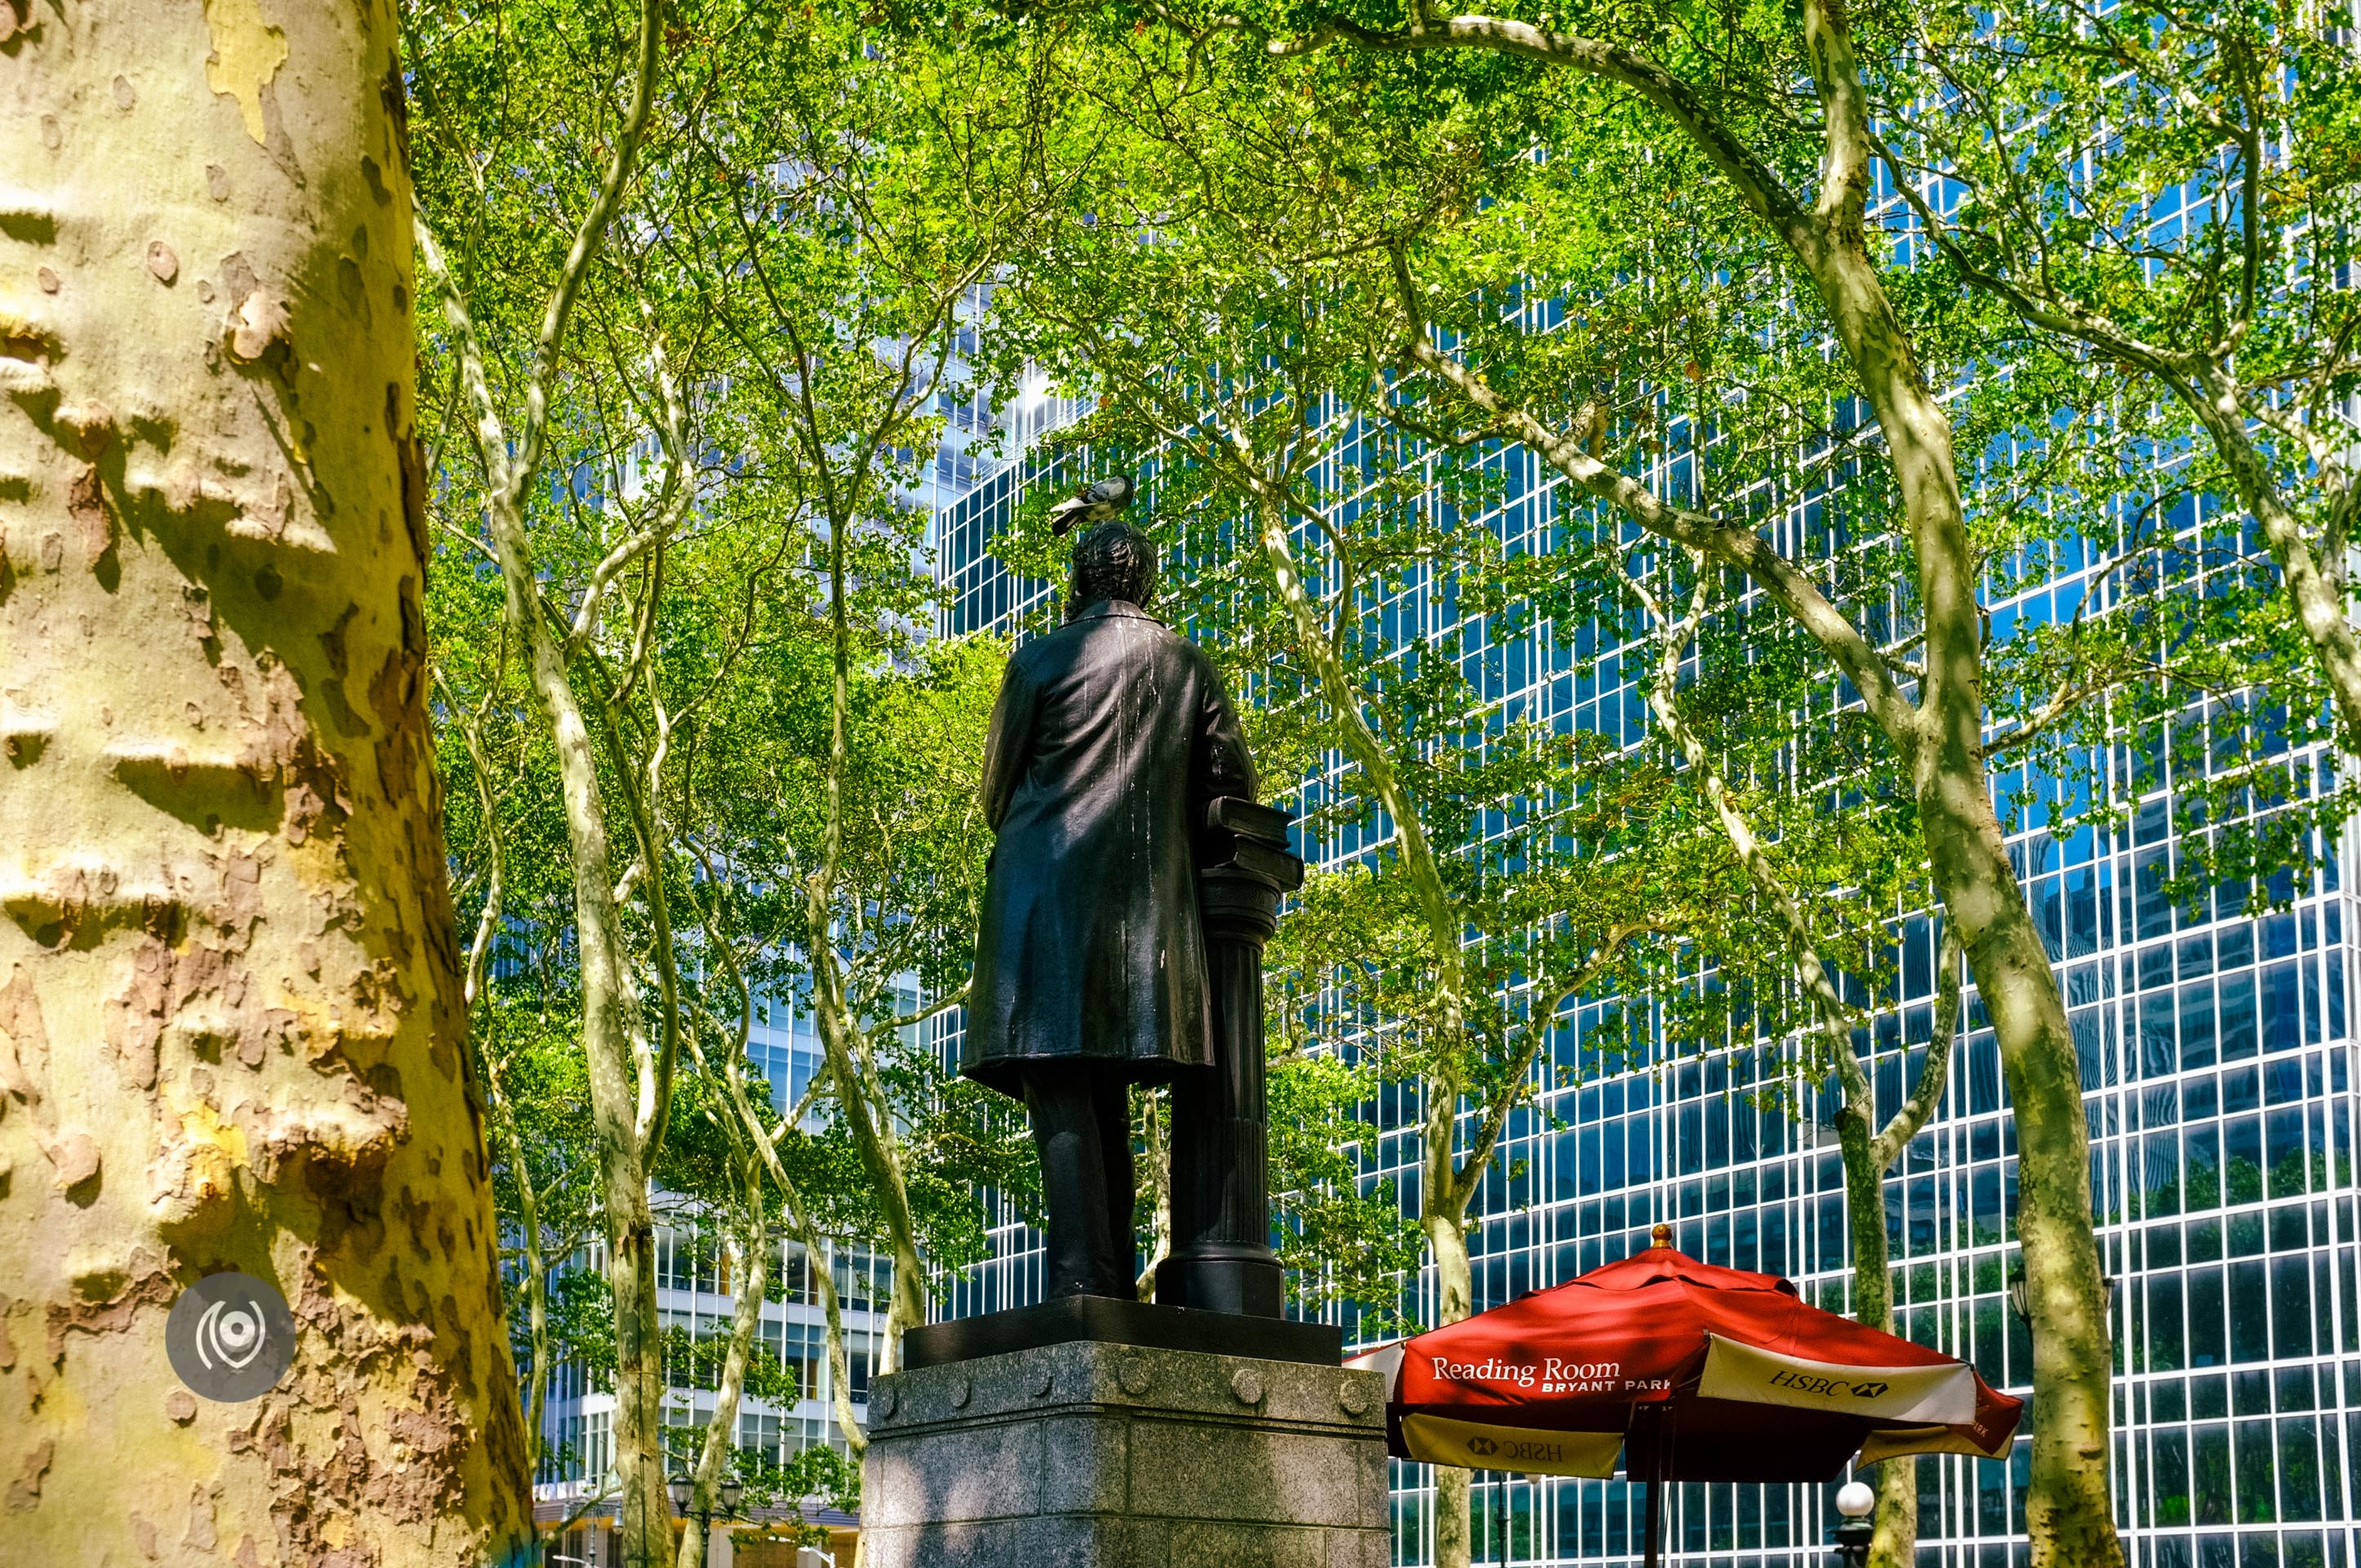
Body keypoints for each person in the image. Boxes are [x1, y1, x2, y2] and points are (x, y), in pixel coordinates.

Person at [962, 510, 1256, 1299]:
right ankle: (1102, 1279)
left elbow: (997, 793)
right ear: (1147, 581)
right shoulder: (1186, 663)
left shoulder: (1037, 659)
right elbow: (1230, 781)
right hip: (1142, 915)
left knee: (1062, 1080)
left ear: (1078, 582)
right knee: (1101, 1083)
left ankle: (1081, 1280)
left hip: (1040, 894)